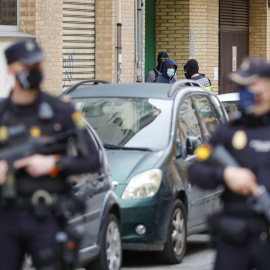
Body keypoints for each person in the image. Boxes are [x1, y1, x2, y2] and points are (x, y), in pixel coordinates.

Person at [0, 39, 100, 270]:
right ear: (11, 69)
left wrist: (54, 162)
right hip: (5, 217)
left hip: (46, 216)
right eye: (27, 67)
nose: (34, 72)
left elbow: (93, 159)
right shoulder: (2, 114)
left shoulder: (61, 110)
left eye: (37, 66)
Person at [187, 57, 270, 270]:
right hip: (235, 239)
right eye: (241, 86)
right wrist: (225, 174)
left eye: (250, 85)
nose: (244, 92)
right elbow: (196, 169)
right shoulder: (227, 131)